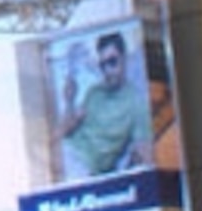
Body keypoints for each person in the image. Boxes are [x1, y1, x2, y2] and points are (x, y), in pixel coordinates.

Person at [60, 30, 150, 180]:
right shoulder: (94, 92)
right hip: (71, 157)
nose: (107, 71)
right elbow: (65, 131)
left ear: (124, 58)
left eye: (112, 62)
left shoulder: (136, 103)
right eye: (102, 65)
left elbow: (144, 154)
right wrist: (69, 101)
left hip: (91, 172)